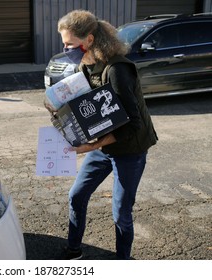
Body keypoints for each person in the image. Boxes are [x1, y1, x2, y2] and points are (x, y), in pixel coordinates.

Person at [51, 10, 158, 260]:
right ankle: (74, 250)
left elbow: (133, 124)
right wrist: (59, 111)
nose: (65, 48)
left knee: (120, 211)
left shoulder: (117, 69)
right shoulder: (86, 65)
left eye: (70, 43)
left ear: (89, 40)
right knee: (76, 195)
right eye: (64, 43)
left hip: (130, 148)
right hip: (105, 145)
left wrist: (90, 147)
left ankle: (122, 261)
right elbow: (89, 107)